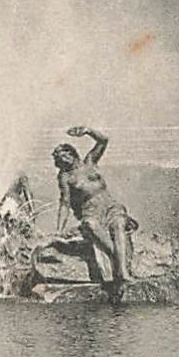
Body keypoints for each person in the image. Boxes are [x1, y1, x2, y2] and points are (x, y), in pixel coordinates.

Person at [52, 125, 134, 292]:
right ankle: (117, 261)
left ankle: (122, 272)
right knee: (90, 226)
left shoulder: (90, 161)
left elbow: (104, 140)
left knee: (118, 224)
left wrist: (88, 131)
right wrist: (59, 229)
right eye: (58, 158)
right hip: (90, 213)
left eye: (64, 155)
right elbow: (65, 203)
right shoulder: (65, 177)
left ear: (71, 153)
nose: (62, 159)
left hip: (110, 207)